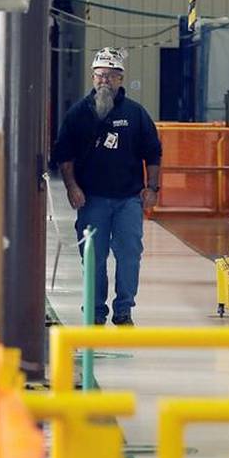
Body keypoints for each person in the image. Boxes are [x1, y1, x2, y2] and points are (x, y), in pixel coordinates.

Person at [51, 47, 162, 326]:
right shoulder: (78, 114)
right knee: (93, 257)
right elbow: (64, 155)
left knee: (129, 255)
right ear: (92, 77)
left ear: (120, 79)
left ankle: (124, 309)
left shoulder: (136, 114)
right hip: (92, 201)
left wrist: (153, 188)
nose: (105, 81)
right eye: (100, 75)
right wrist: (71, 187)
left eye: (111, 76)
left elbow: (153, 152)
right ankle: (95, 310)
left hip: (128, 200)